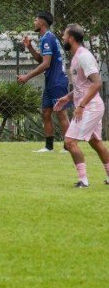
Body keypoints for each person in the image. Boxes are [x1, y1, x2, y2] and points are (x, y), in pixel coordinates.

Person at [53, 24, 109, 188]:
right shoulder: (77, 56)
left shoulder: (84, 56)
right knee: (95, 142)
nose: (63, 38)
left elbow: (97, 83)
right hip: (90, 106)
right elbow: (83, 86)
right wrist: (67, 97)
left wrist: (81, 106)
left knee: (70, 142)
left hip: (90, 107)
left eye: (64, 36)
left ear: (71, 38)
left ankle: (83, 181)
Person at [17, 12, 70, 153]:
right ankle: (49, 147)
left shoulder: (47, 38)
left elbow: (46, 64)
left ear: (41, 23)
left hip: (57, 81)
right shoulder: (45, 38)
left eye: (35, 20)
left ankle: (68, 147)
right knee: (46, 112)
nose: (34, 22)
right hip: (51, 82)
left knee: (61, 114)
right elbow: (42, 60)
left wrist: (27, 77)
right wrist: (30, 47)